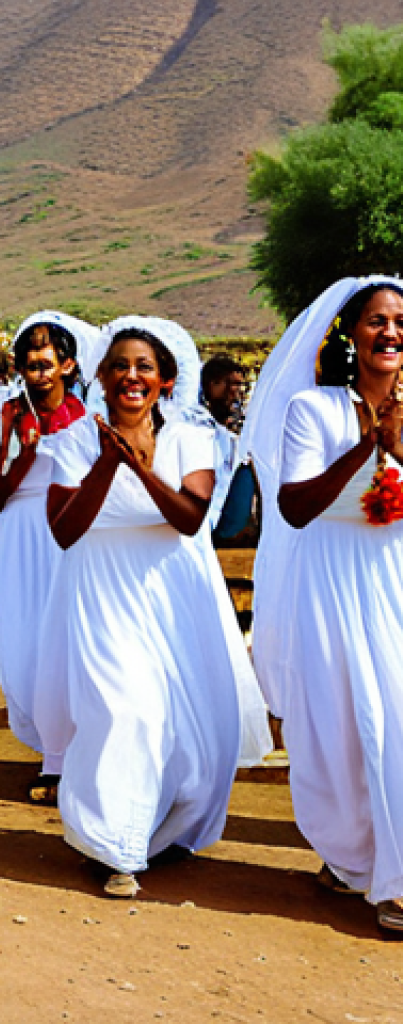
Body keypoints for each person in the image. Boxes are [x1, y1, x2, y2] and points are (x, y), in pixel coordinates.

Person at [38, 316, 270, 897]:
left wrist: (139, 466)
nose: (131, 376)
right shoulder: (69, 442)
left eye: (144, 366)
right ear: (101, 375)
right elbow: (65, 531)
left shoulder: (193, 438)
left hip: (173, 592)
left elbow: (191, 517)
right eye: (119, 366)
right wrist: (107, 463)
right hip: (100, 591)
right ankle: (113, 843)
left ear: (165, 378)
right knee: (123, 708)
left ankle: (159, 827)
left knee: (180, 722)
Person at [241, 276, 403, 932]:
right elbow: (295, 505)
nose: (390, 331)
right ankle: (351, 853)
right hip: (331, 583)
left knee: (392, 717)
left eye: (400, 320)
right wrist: (369, 447)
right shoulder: (314, 410)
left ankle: (394, 880)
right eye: (375, 320)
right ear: (350, 334)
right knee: (340, 726)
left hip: (395, 578)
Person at [0, 311, 98, 801]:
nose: (36, 373)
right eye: (28, 363)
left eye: (45, 363)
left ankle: (60, 762)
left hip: (68, 534)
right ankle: (49, 743)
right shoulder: (6, 414)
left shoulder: (88, 418)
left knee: (63, 646)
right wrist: (23, 454)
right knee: (22, 648)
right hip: (19, 535)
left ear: (66, 365)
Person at [201, 355, 257, 541]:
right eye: (229, 384)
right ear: (211, 384)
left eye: (239, 387)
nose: (235, 393)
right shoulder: (195, 424)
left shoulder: (235, 430)